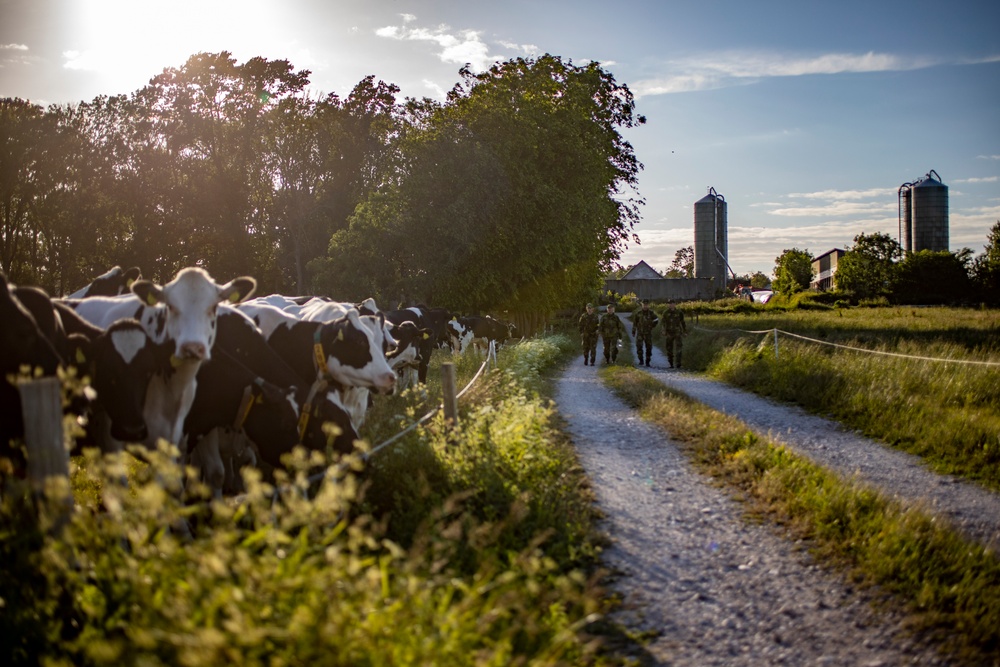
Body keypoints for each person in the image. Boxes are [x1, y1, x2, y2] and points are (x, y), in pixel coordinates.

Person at [631, 298, 659, 367]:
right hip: (640, 333)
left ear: (648, 305)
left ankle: (647, 361)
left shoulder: (651, 313)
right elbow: (635, 323)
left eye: (646, 305)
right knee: (639, 347)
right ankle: (641, 360)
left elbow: (656, 320)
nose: (645, 306)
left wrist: (652, 326)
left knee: (649, 347)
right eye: (644, 305)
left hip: (648, 333)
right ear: (642, 305)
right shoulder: (638, 314)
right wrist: (634, 331)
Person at [661, 300, 687, 368]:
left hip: (677, 332)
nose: (671, 305)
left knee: (679, 348)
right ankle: (671, 363)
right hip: (669, 332)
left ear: (675, 304)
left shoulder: (679, 312)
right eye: (669, 304)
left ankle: (678, 363)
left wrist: (685, 331)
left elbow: (683, 322)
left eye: (672, 304)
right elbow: (663, 323)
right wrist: (663, 330)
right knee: (669, 348)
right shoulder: (665, 313)